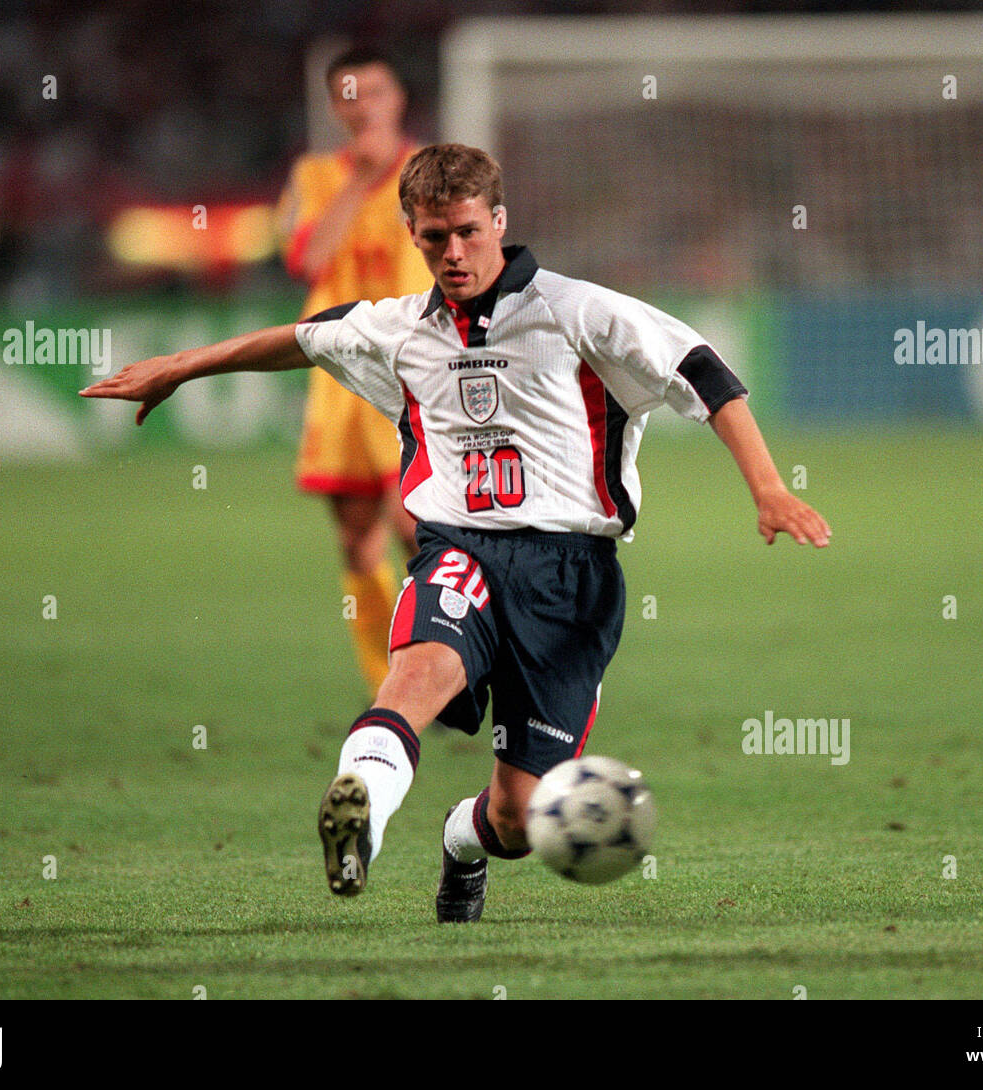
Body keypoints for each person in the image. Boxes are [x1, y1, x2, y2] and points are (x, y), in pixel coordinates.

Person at [82, 143, 831, 924]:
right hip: (458, 551)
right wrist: (180, 365)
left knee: (519, 819)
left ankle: (458, 842)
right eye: (434, 236)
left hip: (569, 579)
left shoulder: (577, 311)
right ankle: (361, 814)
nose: (453, 252)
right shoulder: (401, 328)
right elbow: (301, 337)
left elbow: (702, 368)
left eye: (468, 231)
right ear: (412, 233)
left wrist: (769, 488)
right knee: (412, 680)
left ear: (499, 222)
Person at [278, 47, 430, 699]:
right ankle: (386, 686)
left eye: (375, 90)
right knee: (357, 538)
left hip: (416, 369)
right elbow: (306, 259)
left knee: (418, 527)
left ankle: (443, 661)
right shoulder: (313, 177)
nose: (363, 103)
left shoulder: (431, 170)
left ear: (398, 99)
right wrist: (359, 184)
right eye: (349, 94)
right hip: (341, 374)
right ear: (337, 109)